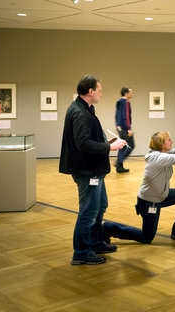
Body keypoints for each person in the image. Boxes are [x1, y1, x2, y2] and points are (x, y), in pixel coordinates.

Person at [59, 75, 128, 266]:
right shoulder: (79, 113)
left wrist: (108, 143)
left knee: (100, 206)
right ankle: (81, 252)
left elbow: (89, 138)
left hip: (94, 169)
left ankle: (96, 242)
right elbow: (83, 143)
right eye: (99, 90)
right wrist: (110, 148)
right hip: (87, 171)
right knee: (88, 212)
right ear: (90, 91)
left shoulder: (86, 109)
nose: (101, 93)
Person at [102, 125, 175, 245]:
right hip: (149, 202)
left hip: (162, 195)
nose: (172, 141)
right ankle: (108, 228)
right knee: (146, 237)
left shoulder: (162, 152)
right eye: (169, 140)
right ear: (161, 144)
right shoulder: (158, 157)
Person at [115, 87, 134, 173]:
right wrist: (129, 128)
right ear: (126, 93)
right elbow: (125, 116)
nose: (132, 94)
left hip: (120, 128)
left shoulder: (119, 102)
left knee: (122, 146)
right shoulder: (126, 102)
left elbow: (117, 115)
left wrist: (117, 126)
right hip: (126, 128)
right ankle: (119, 162)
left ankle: (120, 167)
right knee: (131, 145)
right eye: (130, 92)